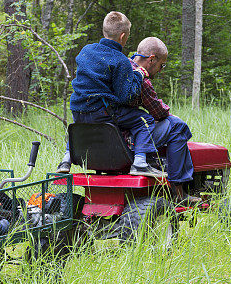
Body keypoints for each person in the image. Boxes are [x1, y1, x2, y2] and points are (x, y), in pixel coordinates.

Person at [56, 11, 165, 178]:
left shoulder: (86, 51)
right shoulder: (120, 60)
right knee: (145, 120)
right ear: (122, 36)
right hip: (102, 112)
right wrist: (138, 75)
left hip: (78, 111)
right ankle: (141, 162)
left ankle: (66, 159)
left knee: (80, 127)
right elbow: (126, 96)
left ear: (104, 31)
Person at [130, 37, 199, 205]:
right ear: (152, 59)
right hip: (128, 137)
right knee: (178, 127)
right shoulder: (141, 79)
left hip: (112, 132)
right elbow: (158, 112)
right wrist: (169, 114)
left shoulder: (122, 66)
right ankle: (178, 191)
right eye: (162, 65)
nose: (161, 70)